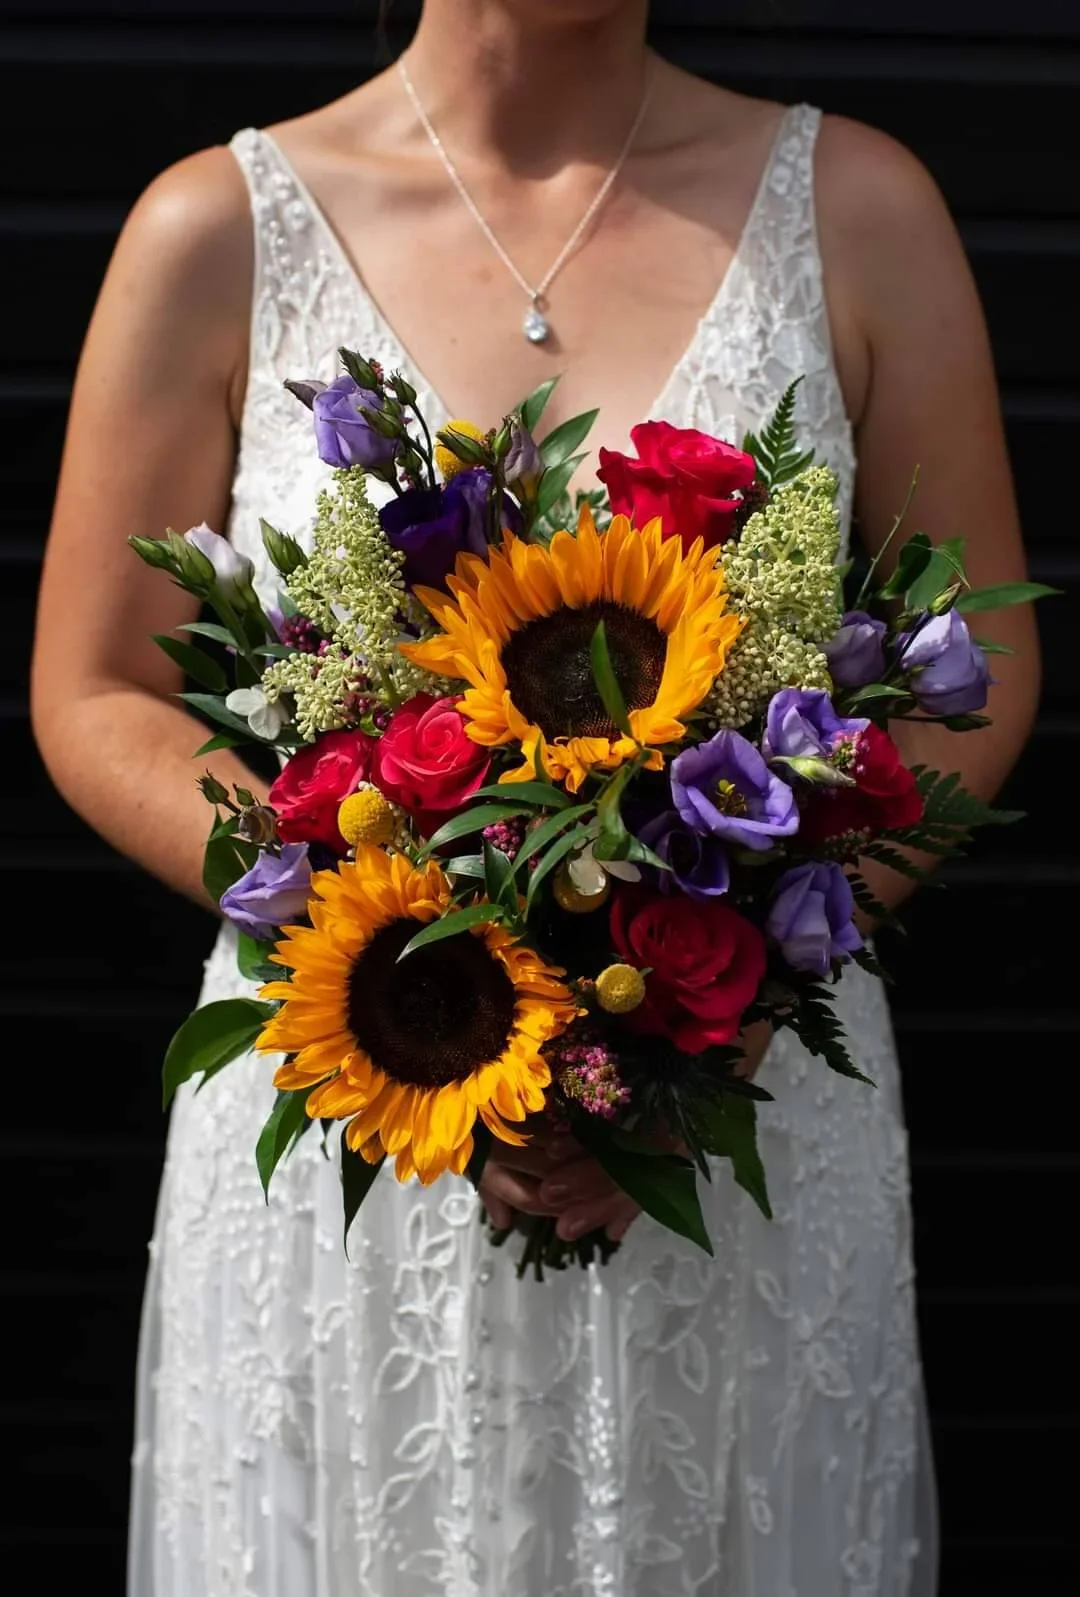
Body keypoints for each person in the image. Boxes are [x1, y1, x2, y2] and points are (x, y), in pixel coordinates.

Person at [32, 2, 1039, 1592]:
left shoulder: (860, 209)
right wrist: (390, 944)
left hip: (746, 1102)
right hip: (358, 1093)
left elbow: (978, 655)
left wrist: (729, 990)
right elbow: (98, 689)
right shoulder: (211, 228)